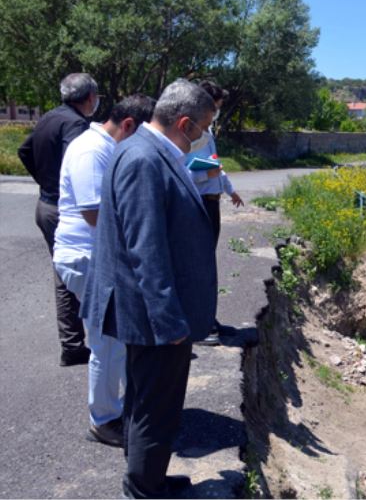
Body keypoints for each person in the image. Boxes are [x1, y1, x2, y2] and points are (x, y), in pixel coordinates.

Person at [80, 79, 218, 498]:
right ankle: (144, 489)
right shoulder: (144, 158)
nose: (204, 136)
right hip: (153, 315)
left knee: (145, 402)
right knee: (155, 409)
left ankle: (147, 479)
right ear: (184, 122)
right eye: (204, 127)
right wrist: (169, 320)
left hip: (150, 312)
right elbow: (146, 249)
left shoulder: (149, 150)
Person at [53, 95, 156, 448]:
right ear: (128, 125)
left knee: (115, 340)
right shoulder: (90, 152)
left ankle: (116, 409)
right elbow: (95, 214)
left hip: (99, 257)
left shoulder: (104, 146)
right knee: (107, 343)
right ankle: (104, 420)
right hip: (86, 257)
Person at [18, 73, 98, 366]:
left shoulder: (49, 117)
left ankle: (73, 342)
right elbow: (78, 164)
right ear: (90, 97)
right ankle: (75, 345)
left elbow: (24, 150)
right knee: (71, 274)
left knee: (64, 273)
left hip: (45, 204)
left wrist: (45, 181)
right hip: (62, 209)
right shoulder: (76, 125)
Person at [185, 80, 243, 346]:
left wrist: (229, 189)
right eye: (215, 108)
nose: (216, 114)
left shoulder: (207, 134)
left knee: (207, 264)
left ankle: (207, 317)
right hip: (198, 205)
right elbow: (183, 173)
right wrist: (204, 174)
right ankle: (200, 324)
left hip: (211, 202)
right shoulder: (190, 135)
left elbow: (215, 167)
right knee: (198, 265)